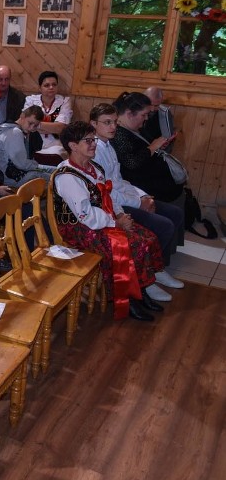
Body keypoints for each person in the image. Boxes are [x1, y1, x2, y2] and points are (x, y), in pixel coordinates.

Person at [52, 121, 167, 321]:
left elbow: (109, 197)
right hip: (79, 227)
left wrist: (120, 214)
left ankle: (141, 291)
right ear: (72, 146)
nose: (93, 144)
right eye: (87, 140)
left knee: (147, 238)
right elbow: (85, 214)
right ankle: (128, 298)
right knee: (132, 245)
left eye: (93, 139)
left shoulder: (94, 167)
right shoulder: (67, 176)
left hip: (104, 218)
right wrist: (115, 223)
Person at [90, 103, 184, 298]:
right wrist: (137, 203)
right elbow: (107, 191)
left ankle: (156, 269)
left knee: (175, 213)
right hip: (112, 204)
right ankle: (146, 278)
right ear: (93, 124)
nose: (113, 127)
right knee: (164, 225)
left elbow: (121, 181)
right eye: (107, 123)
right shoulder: (95, 150)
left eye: (115, 122)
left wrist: (142, 196)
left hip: (127, 196)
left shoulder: (109, 145)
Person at [111, 92, 185, 209]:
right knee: (175, 202)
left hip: (152, 180)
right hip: (140, 185)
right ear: (130, 114)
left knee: (178, 190)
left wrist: (158, 146)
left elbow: (141, 149)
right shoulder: (118, 133)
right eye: (144, 115)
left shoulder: (133, 127)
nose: (146, 118)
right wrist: (153, 147)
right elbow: (132, 162)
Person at [0, 105, 51, 187]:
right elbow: (22, 164)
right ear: (22, 116)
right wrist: (39, 166)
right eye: (30, 123)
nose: (31, 128)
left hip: (18, 172)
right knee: (54, 177)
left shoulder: (17, 129)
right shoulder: (15, 132)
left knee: (54, 171)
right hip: (11, 178)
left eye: (35, 126)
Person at [23, 71, 73, 164]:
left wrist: (35, 125)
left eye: (54, 84)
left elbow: (60, 128)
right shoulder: (31, 100)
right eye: (47, 85)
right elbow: (25, 124)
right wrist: (51, 127)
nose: (51, 87)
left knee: (56, 154)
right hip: (32, 143)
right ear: (40, 88)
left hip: (55, 145)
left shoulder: (64, 102)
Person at [141, 87, 177, 153]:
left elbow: (167, 140)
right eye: (150, 104)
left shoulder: (164, 114)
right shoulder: (134, 111)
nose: (152, 109)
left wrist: (164, 144)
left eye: (156, 105)